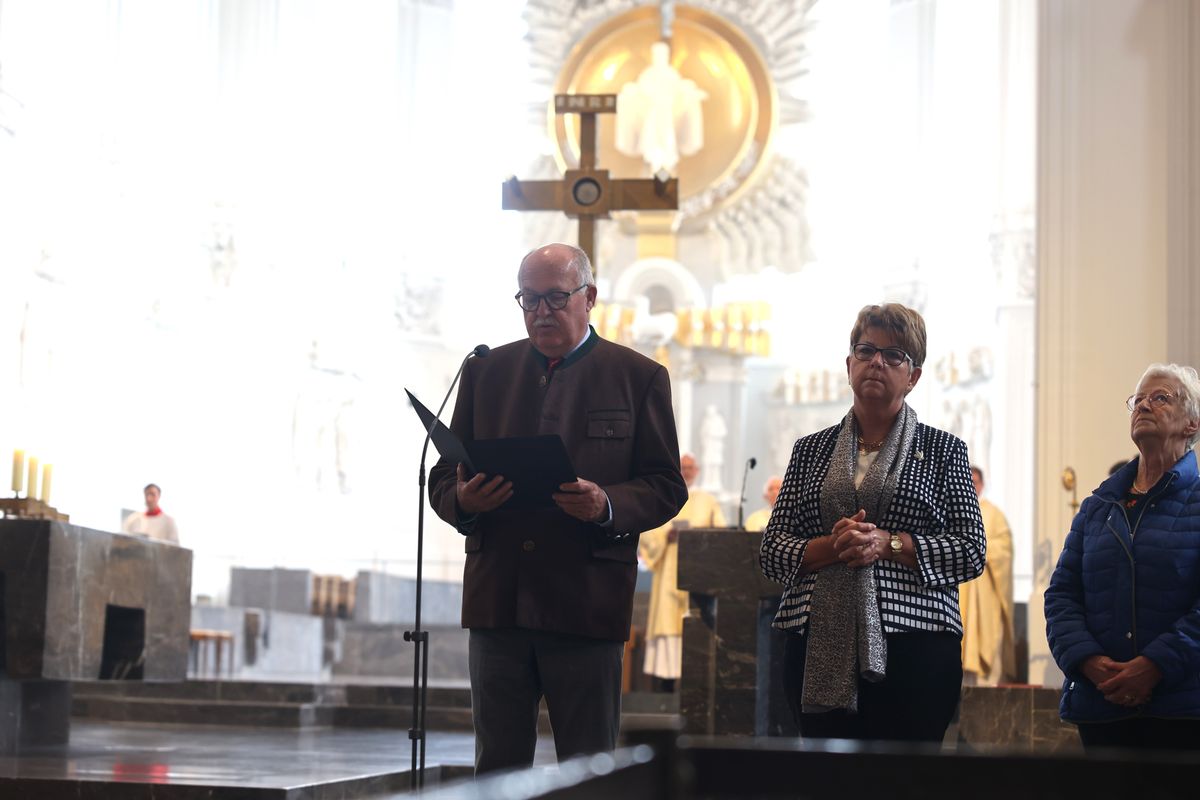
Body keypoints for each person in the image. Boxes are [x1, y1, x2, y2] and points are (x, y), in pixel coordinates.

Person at [428, 243, 687, 774]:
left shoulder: (638, 376)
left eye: (555, 298)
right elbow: (441, 475)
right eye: (529, 300)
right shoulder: (485, 371)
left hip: (584, 602)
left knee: (589, 769)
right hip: (499, 600)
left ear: (588, 297)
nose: (541, 312)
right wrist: (463, 501)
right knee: (497, 768)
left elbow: (665, 485)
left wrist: (607, 503)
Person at [759, 303, 985, 743]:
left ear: (913, 376)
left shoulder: (944, 451)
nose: (876, 361)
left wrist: (889, 545)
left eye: (894, 354)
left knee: (902, 782)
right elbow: (772, 553)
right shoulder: (810, 450)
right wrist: (833, 546)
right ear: (849, 365)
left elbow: (971, 550)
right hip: (816, 640)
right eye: (865, 350)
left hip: (916, 644)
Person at [1045, 363, 1200, 751]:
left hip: (1182, 706)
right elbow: (1062, 595)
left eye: (1160, 397)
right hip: (1102, 704)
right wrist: (1090, 663)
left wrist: (1154, 666)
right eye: (1138, 399)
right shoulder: (1098, 506)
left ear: (1192, 424)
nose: (1144, 405)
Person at [638, 453, 726, 692]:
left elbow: (720, 534)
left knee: (695, 634)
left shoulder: (708, 501)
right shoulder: (666, 495)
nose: (686, 471)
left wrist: (698, 535)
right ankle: (664, 693)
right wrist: (666, 535)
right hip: (668, 574)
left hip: (697, 577)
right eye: (683, 467)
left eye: (690, 467)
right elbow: (647, 531)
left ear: (697, 470)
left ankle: (695, 693)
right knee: (668, 635)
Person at [960, 466, 1015, 686]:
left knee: (988, 651)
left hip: (986, 593)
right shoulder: (951, 510)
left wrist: (979, 549)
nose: (972, 485)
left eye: (976, 481)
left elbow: (1004, 549)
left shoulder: (993, 514)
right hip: (960, 591)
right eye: (968, 481)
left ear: (982, 485)